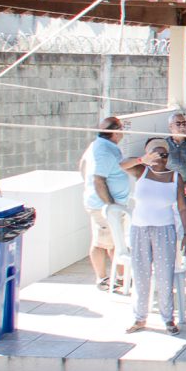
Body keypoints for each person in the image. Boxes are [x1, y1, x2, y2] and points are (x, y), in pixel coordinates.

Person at [122, 138, 186, 335]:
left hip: (164, 230)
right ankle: (140, 317)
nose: (160, 158)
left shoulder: (174, 177)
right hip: (140, 229)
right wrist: (142, 159)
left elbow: (182, 207)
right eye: (156, 154)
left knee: (165, 275)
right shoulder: (141, 171)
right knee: (141, 273)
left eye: (164, 155)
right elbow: (121, 165)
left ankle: (168, 318)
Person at [80, 117, 132, 290]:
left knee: (112, 242)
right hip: (104, 206)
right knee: (103, 243)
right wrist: (111, 206)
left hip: (108, 205)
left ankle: (119, 276)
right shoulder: (103, 150)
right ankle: (103, 279)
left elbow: (82, 167)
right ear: (116, 131)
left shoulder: (102, 146)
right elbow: (98, 180)